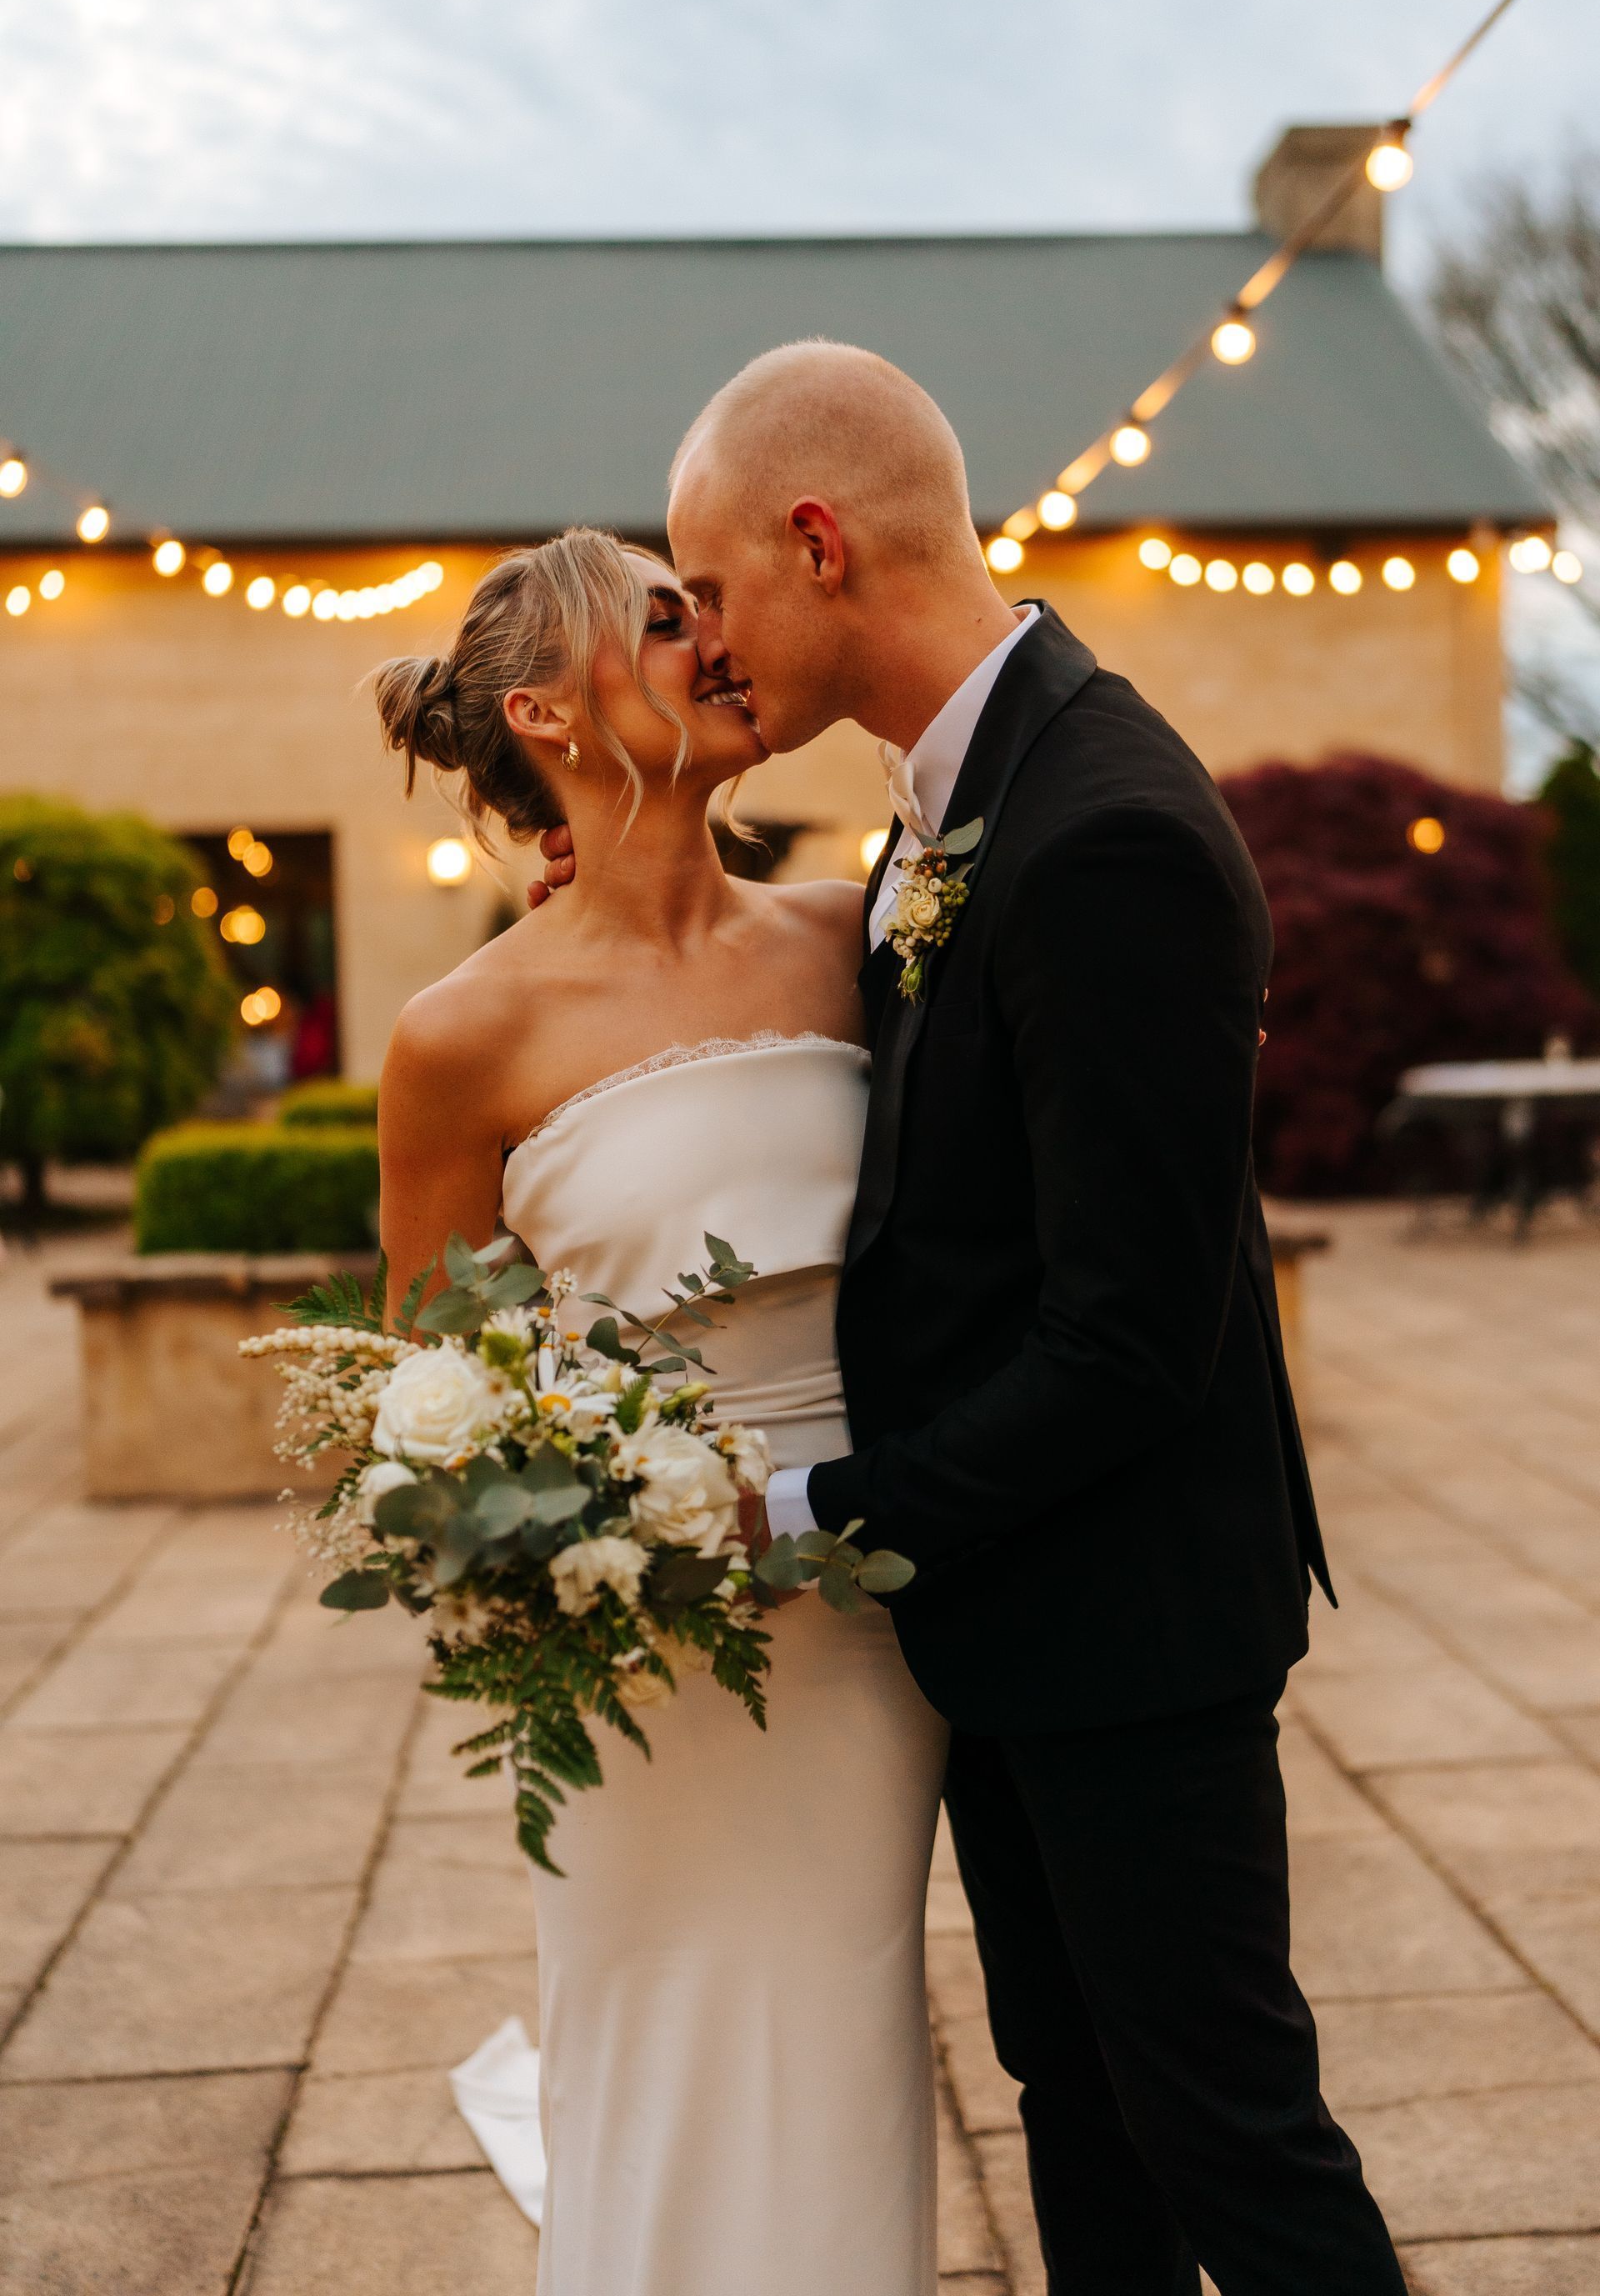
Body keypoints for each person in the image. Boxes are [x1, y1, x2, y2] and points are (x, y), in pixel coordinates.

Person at [529, 343, 1408, 2293]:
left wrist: (810, 1509)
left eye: (716, 589)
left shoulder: (1102, 830)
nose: (706, 642)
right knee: (1084, 2119)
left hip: (1131, 1628)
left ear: (820, 541)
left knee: (1231, 2141)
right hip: (1016, 1618)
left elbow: (1133, 1337)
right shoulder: (950, 803)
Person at [372, 528, 948, 2296]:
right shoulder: (462, 1036)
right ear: (547, 708)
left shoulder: (859, 938)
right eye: (663, 616)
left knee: (848, 2028)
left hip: (871, 1601)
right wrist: (556, 1516)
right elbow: (430, 1371)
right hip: (640, 1640)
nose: (712, 638)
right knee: (657, 2034)